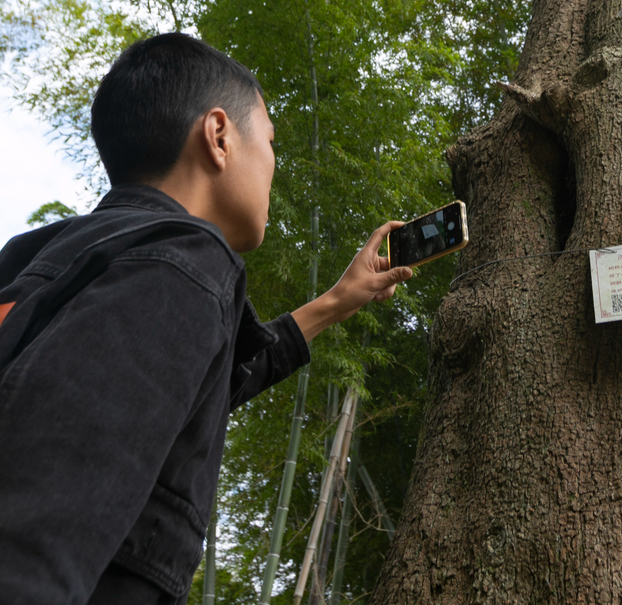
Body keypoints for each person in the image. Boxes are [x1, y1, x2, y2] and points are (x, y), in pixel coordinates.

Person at [0, 32, 412, 603]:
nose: (275, 165)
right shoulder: (184, 262)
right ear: (219, 136)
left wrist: (339, 300)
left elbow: (194, 383)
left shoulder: (39, 258)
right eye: (269, 141)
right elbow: (37, 523)